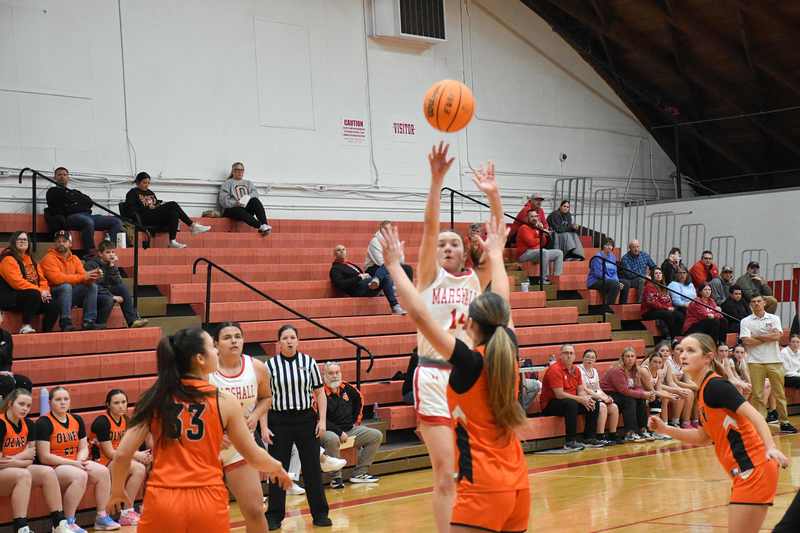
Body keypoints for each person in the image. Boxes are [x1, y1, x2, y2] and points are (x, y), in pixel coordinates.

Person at [381, 213, 530, 533]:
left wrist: (394, 267)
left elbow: (421, 316)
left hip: (483, 487)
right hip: (518, 485)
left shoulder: (467, 364)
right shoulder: (510, 354)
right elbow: (503, 297)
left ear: (470, 325)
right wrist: (496, 254)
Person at [105, 328, 291, 533]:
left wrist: (116, 492)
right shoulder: (223, 401)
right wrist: (276, 467)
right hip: (207, 499)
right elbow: (253, 455)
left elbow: (122, 455)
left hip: (162, 498)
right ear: (200, 358)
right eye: (212, 347)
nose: (217, 351)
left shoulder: (155, 397)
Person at [407, 143, 497, 533]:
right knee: (445, 472)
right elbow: (429, 228)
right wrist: (436, 181)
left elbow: (499, 238)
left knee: (468, 469)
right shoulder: (428, 277)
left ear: (465, 252)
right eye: (442, 243)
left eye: (454, 242)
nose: (446, 246)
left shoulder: (477, 280)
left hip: (469, 375)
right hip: (431, 375)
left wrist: (493, 196)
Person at [647, 333, 790, 533]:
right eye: (681, 350)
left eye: (690, 350)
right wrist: (665, 429)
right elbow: (702, 437)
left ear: (708, 357)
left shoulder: (716, 386)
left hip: (754, 468)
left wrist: (771, 447)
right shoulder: (704, 390)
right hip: (745, 470)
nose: (683, 355)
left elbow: (755, 415)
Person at [208, 322, 273, 533]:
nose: (234, 340)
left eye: (238, 336)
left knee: (255, 509)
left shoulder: (257, 367)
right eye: (227, 337)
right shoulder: (205, 371)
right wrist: (215, 431)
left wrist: (255, 415)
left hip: (240, 448)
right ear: (216, 344)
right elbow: (189, 408)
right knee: (206, 516)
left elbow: (266, 398)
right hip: (207, 449)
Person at [265, 325, 332, 530]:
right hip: (279, 420)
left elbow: (320, 393)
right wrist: (263, 426)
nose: (289, 341)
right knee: (278, 469)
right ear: (279, 342)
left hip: (305, 420)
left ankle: (320, 514)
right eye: (285, 338)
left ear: (298, 340)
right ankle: (274, 515)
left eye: (293, 337)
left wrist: (321, 421)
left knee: (312, 468)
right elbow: (264, 398)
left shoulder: (308, 362)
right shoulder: (270, 366)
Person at [35, 386, 119, 532]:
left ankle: (101, 517)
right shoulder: (44, 423)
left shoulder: (77, 419)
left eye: (66, 399)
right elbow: (44, 456)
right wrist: (74, 463)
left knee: (103, 472)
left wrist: (80, 460)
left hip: (74, 462)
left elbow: (84, 447)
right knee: (80, 475)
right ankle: (66, 523)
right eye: (58, 399)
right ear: (50, 402)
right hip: (55, 467)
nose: (63, 402)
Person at [0, 388, 72, 533]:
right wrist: (21, 458)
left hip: (14, 468)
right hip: (7, 472)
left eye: (28, 406)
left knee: (47, 472)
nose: (25, 408)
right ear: (10, 404)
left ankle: (59, 523)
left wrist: (12, 460)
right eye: (21, 404)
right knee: (23, 475)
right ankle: (21, 528)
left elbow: (30, 457)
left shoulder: (29, 424)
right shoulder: (1, 424)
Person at [89, 389, 149, 527]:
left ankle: (130, 511)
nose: (121, 406)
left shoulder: (126, 420)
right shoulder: (102, 422)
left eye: (123, 402)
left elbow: (128, 447)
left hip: (119, 460)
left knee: (143, 466)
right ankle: (127, 512)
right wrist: (135, 455)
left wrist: (142, 455)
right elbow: (110, 452)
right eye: (116, 403)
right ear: (108, 405)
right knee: (138, 468)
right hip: (101, 462)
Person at [740, 295, 797, 433]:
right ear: (750, 305)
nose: (756, 303)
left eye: (759, 301)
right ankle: (760, 423)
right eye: (753, 302)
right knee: (758, 395)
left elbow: (778, 336)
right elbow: (746, 341)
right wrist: (767, 337)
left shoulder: (774, 318)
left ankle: (784, 422)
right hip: (755, 362)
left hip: (775, 361)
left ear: (764, 303)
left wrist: (756, 336)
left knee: (779, 394)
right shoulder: (745, 321)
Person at [320, 362, 382, 488]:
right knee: (332, 438)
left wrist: (355, 422)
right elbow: (317, 418)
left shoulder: (348, 388)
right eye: (331, 373)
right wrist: (339, 432)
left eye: (337, 372)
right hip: (326, 431)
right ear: (324, 375)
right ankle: (336, 478)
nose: (335, 376)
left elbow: (359, 400)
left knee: (375, 435)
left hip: (348, 430)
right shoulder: (319, 392)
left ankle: (360, 473)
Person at [40, 231, 113, 332]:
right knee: (66, 286)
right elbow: (57, 279)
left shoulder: (75, 259)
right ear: (54, 243)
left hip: (70, 294)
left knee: (92, 286)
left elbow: (84, 276)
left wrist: (93, 276)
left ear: (70, 244)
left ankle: (89, 321)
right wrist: (84, 277)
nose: (61, 243)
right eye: (58, 241)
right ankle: (65, 321)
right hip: (53, 296)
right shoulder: (48, 258)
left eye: (64, 241)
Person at [45, 167, 123, 252]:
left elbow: (89, 202)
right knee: (88, 221)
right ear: (54, 177)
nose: (62, 177)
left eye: (65, 174)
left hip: (87, 215)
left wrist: (72, 203)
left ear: (68, 177)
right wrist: (76, 203)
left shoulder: (74, 192)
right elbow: (61, 207)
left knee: (116, 221)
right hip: (70, 217)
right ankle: (90, 251)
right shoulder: (52, 191)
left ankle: (109, 249)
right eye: (59, 174)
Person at [540, 344, 603, 449]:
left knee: (593, 402)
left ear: (574, 356)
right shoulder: (555, 369)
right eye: (566, 353)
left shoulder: (576, 370)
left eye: (571, 353)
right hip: (551, 404)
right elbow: (559, 395)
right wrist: (580, 399)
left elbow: (581, 390)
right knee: (571, 403)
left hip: (570, 401)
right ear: (560, 355)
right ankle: (570, 441)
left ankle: (589, 438)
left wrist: (585, 399)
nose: (569, 356)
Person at [125, 172, 210, 249]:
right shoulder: (133, 192)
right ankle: (192, 225)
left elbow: (155, 203)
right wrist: (147, 208)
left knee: (174, 213)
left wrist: (157, 206)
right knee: (173, 204)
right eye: (144, 183)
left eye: (148, 183)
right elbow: (130, 210)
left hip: (154, 215)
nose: (147, 185)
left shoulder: (150, 192)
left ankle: (172, 241)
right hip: (144, 217)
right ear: (138, 182)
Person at [0, 232, 59, 334]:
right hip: (10, 297)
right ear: (13, 242)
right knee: (33, 294)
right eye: (19, 239)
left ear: (29, 243)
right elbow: (17, 283)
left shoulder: (31, 259)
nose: (22, 241)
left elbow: (42, 280)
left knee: (53, 304)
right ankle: (25, 326)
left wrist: (45, 292)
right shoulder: (8, 259)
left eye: (25, 239)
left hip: (31, 298)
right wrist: (40, 291)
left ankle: (46, 332)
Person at [84, 241, 148, 328]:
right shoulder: (91, 264)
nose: (111, 255)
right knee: (108, 298)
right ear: (100, 253)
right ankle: (99, 324)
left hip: (105, 290)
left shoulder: (111, 264)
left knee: (122, 288)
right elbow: (94, 286)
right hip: (93, 295)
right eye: (108, 252)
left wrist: (112, 266)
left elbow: (118, 282)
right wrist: (112, 296)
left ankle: (132, 321)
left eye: (113, 252)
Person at [329, 244, 406, 315]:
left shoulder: (350, 264)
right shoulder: (335, 269)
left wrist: (366, 276)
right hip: (357, 289)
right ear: (334, 254)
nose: (342, 251)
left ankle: (395, 306)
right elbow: (340, 284)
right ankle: (379, 283)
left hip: (367, 285)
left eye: (343, 249)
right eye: (338, 250)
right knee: (385, 276)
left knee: (386, 269)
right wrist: (359, 277)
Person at [599, 347, 656, 442]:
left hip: (622, 393)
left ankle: (642, 429)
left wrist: (646, 394)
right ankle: (630, 432)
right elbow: (624, 391)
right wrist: (643, 394)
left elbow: (637, 387)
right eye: (627, 356)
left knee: (640, 400)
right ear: (623, 358)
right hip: (609, 393)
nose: (630, 358)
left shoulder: (635, 370)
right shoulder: (617, 370)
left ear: (635, 359)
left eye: (632, 356)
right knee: (629, 400)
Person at [577, 349, 619, 444]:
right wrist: (601, 398)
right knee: (602, 407)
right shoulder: (579, 370)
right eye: (587, 357)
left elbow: (598, 388)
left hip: (596, 396)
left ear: (595, 360)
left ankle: (612, 434)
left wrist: (607, 397)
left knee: (614, 407)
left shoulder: (594, 371)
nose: (589, 359)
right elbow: (584, 389)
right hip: (585, 397)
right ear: (583, 358)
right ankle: (600, 436)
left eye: (592, 357)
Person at [218, 162, 271, 235]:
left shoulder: (248, 183)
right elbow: (223, 201)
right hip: (232, 209)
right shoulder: (227, 183)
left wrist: (248, 197)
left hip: (245, 208)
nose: (240, 172)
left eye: (242, 170)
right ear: (233, 171)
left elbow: (255, 193)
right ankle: (260, 226)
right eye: (237, 170)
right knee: (239, 210)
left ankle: (265, 224)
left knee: (255, 200)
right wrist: (235, 203)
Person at [650, 342, 692, 427]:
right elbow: (655, 385)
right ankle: (665, 425)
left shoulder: (667, 364)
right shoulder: (652, 364)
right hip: (652, 389)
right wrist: (676, 389)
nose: (665, 352)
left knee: (681, 393)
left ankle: (675, 422)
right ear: (657, 352)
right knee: (665, 397)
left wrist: (679, 389)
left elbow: (670, 382)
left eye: (667, 351)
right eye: (662, 350)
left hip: (660, 388)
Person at [639, 350, 680, 439]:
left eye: (659, 362)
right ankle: (655, 430)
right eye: (655, 362)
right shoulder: (644, 371)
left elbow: (658, 389)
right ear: (649, 361)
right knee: (656, 399)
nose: (657, 364)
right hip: (639, 395)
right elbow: (652, 390)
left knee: (659, 398)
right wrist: (669, 395)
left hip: (648, 395)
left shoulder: (659, 372)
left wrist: (671, 394)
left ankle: (662, 428)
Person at [516, 209, 563, 285]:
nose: (534, 218)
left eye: (536, 216)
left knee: (559, 253)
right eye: (532, 216)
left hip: (536, 252)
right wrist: (540, 236)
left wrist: (541, 231)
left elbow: (543, 243)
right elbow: (531, 243)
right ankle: (543, 279)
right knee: (544, 252)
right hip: (524, 254)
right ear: (527, 218)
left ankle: (556, 278)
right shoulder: (524, 228)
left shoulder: (537, 228)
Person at [365, 221, 414, 285]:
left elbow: (401, 258)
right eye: (385, 229)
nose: (387, 231)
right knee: (387, 269)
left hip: (391, 265)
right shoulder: (375, 241)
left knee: (408, 268)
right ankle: (377, 281)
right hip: (374, 267)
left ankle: (408, 289)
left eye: (389, 229)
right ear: (380, 229)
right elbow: (380, 262)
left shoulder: (395, 240)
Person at [640, 267, 682, 339]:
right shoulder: (649, 286)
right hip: (649, 312)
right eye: (656, 273)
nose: (658, 275)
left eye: (660, 273)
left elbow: (667, 300)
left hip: (661, 309)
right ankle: (673, 336)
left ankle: (678, 336)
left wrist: (670, 307)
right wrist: (667, 308)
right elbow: (652, 303)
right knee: (668, 314)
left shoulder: (663, 286)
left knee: (679, 314)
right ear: (652, 276)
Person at [0, 311, 33, 399]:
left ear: (2, 317)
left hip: (3, 374)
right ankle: (3, 412)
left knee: (24, 382)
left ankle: (18, 411)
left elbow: (8, 361)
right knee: (7, 382)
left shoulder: (6, 336)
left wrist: (7, 372)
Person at [587, 238, 622, 311]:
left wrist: (618, 281)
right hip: (595, 281)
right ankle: (607, 308)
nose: (609, 247)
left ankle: (621, 307)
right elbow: (598, 274)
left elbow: (615, 272)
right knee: (615, 284)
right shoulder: (597, 257)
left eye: (611, 245)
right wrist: (614, 282)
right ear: (603, 246)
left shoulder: (612, 257)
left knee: (625, 283)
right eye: (607, 245)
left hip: (608, 280)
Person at [619, 240, 655, 304]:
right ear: (629, 248)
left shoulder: (644, 255)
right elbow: (630, 274)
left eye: (637, 247)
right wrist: (644, 276)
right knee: (641, 280)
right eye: (634, 247)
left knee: (656, 278)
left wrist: (651, 275)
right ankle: (639, 303)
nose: (636, 249)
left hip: (643, 278)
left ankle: (654, 302)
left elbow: (653, 267)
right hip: (630, 280)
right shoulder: (625, 258)